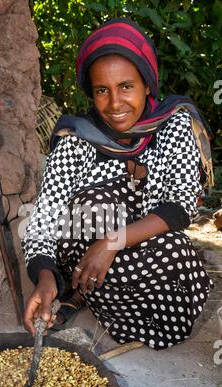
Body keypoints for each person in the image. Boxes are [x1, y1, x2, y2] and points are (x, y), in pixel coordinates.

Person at [22, 18, 214, 349]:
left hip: (138, 249)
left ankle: (105, 298)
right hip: (86, 258)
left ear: (147, 84)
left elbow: (181, 205)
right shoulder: (76, 139)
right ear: (91, 92)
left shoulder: (174, 124)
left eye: (126, 86)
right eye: (102, 90)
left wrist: (112, 243)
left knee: (177, 256)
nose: (114, 104)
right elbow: (44, 220)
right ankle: (81, 291)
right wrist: (44, 277)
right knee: (92, 207)